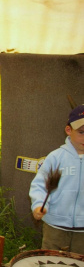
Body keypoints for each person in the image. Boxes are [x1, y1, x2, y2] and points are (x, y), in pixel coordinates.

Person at [30, 105, 84, 254]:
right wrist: (39, 204)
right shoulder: (56, 157)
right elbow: (40, 185)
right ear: (68, 130)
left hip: (83, 233)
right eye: (81, 132)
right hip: (55, 227)